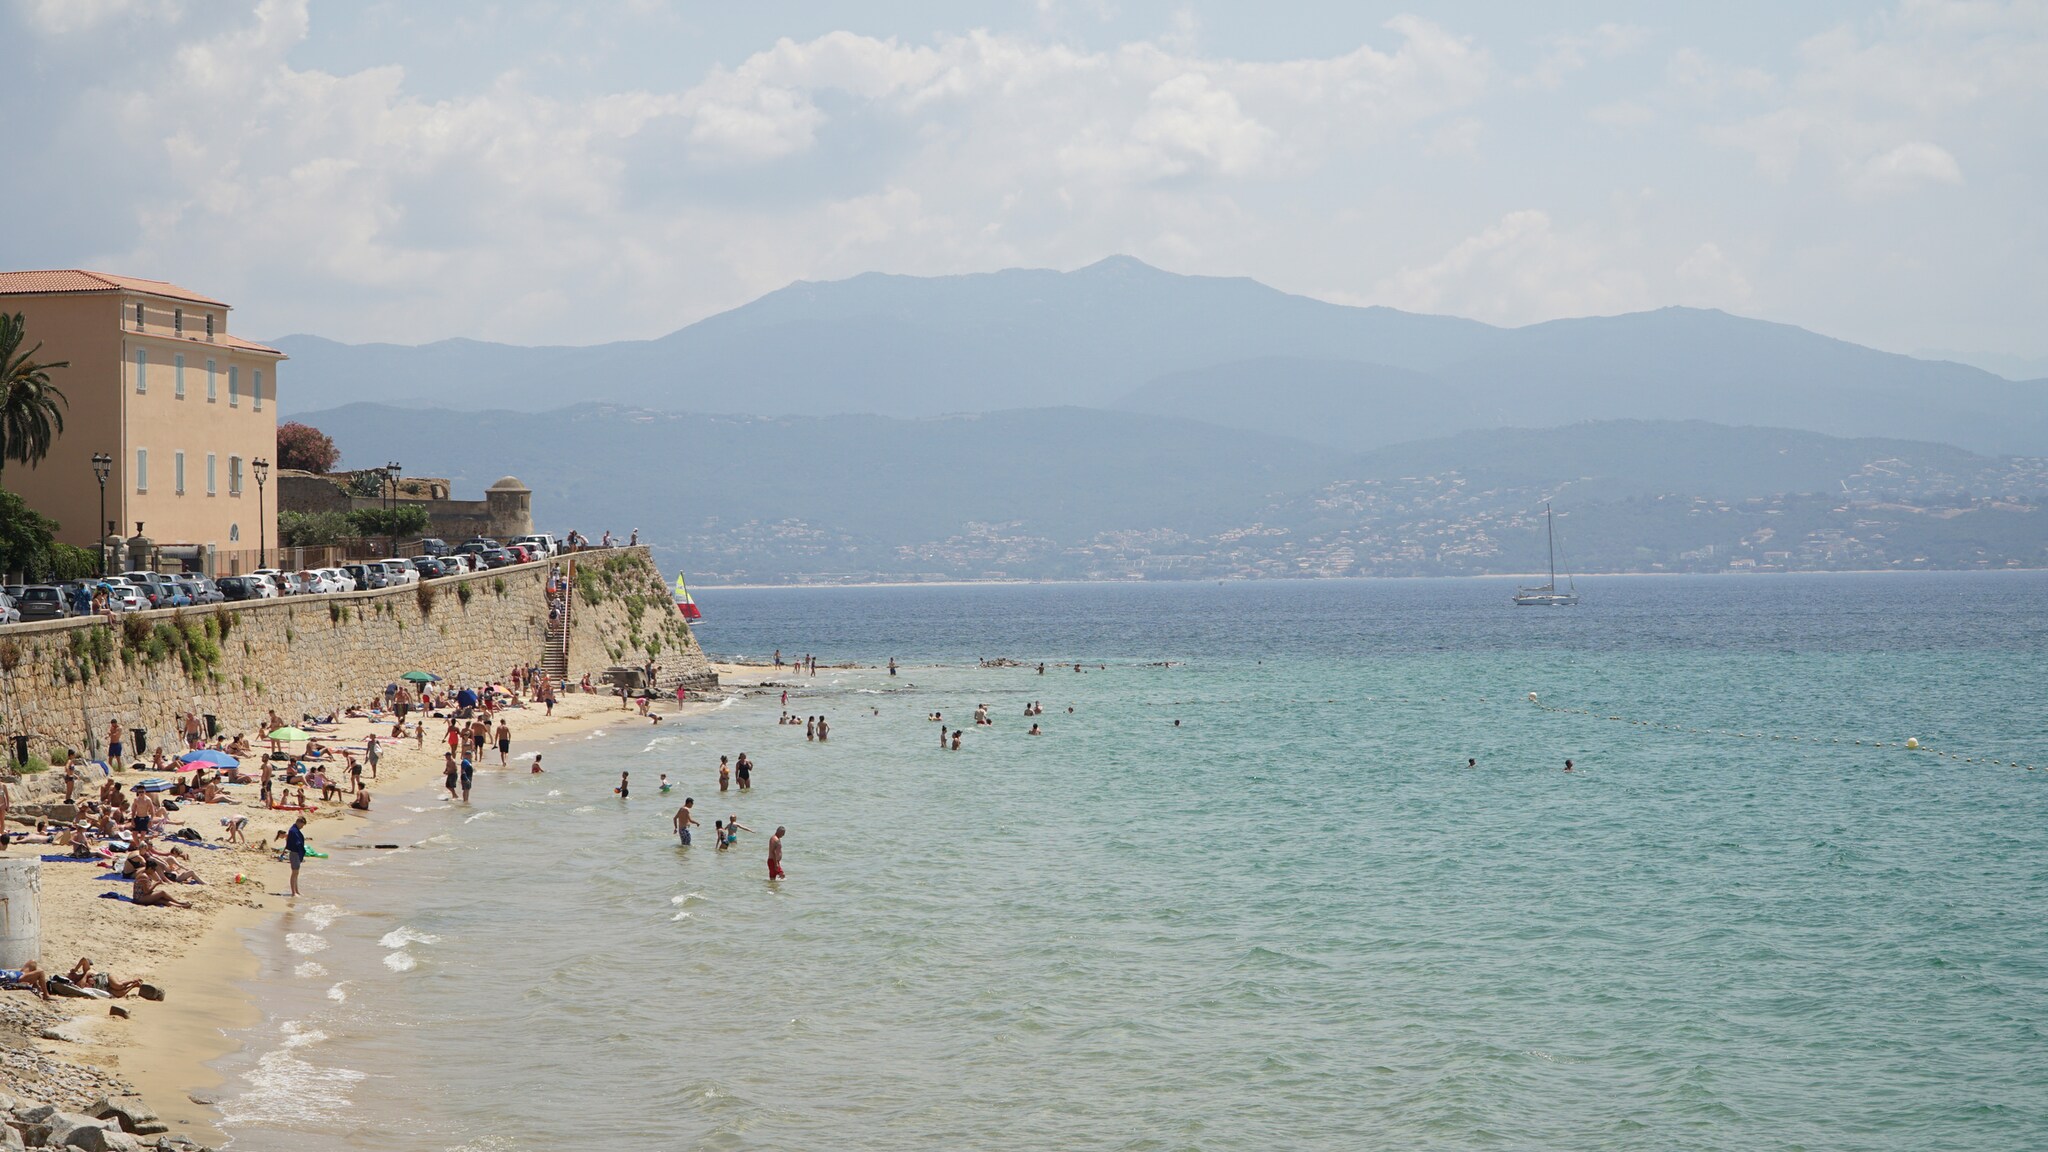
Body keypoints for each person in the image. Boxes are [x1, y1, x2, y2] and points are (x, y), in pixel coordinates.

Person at [284, 817, 308, 897]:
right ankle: (293, 892)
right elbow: (297, 843)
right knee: (294, 873)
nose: (302, 827)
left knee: (296, 873)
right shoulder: (293, 831)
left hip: (296, 853)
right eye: (302, 825)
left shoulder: (295, 830)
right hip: (294, 853)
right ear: (299, 822)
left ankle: (296, 891)